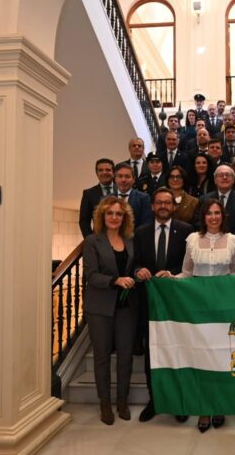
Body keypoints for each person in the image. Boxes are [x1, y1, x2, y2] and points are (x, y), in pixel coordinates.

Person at [176, 199, 235, 432]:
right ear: (203, 217)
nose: (213, 217)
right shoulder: (192, 239)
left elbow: (233, 273)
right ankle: (204, 408)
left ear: (223, 216)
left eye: (217, 213)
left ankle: (220, 404)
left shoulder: (234, 241)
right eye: (209, 213)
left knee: (223, 356)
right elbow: (186, 272)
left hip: (224, 307)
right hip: (199, 307)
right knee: (202, 357)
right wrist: (168, 280)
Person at [134, 188, 194, 424]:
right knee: (153, 354)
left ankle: (179, 401)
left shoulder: (187, 231)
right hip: (150, 305)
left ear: (174, 206)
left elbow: (189, 268)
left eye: (167, 202)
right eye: (158, 202)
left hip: (177, 305)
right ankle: (155, 400)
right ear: (152, 206)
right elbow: (135, 261)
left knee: (178, 351)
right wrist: (138, 270)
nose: (162, 206)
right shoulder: (141, 232)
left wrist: (175, 275)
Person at [82, 197, 137, 425]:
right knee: (102, 358)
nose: (114, 217)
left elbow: (134, 266)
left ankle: (122, 401)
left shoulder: (130, 240)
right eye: (110, 213)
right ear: (102, 217)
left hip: (126, 307)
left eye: (119, 214)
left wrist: (137, 273)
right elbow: (91, 275)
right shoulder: (93, 241)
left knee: (125, 357)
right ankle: (105, 404)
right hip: (100, 307)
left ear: (124, 218)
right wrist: (115, 280)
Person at [199, 164, 235, 234]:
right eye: (221, 175)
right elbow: (199, 222)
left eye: (228, 175)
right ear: (215, 180)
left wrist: (232, 239)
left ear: (233, 180)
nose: (224, 177)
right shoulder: (204, 199)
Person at [79, 158, 115, 237]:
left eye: (108, 170)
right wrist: (90, 240)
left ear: (113, 172)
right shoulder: (88, 194)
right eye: (100, 170)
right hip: (98, 240)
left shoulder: (123, 190)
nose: (104, 172)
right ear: (96, 173)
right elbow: (84, 221)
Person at [112, 162, 153, 228]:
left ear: (133, 180)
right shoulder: (106, 199)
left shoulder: (144, 198)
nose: (123, 180)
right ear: (115, 179)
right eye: (120, 176)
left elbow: (146, 225)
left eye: (127, 176)